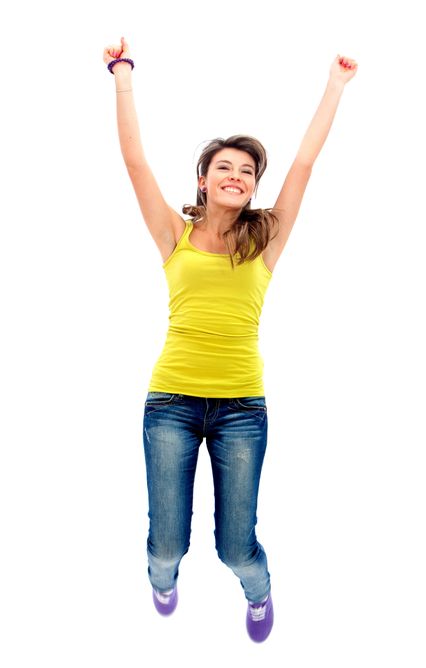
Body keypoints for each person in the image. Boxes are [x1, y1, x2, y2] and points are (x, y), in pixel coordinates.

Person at [102, 36, 358, 643]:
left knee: (235, 547)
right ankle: (161, 582)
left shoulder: (264, 241)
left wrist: (336, 86)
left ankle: (260, 591)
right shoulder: (174, 234)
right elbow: (135, 162)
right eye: (226, 167)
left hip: (243, 408)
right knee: (166, 545)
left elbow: (301, 166)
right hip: (171, 404)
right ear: (204, 179)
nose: (238, 176)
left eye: (247, 171)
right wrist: (122, 73)